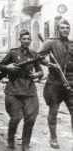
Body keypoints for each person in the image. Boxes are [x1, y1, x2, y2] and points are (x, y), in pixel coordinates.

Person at [0, 30, 43, 151]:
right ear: (20, 40)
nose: (26, 41)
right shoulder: (13, 53)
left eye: (29, 39)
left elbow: (40, 72)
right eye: (24, 39)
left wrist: (36, 75)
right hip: (14, 88)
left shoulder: (34, 54)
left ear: (31, 41)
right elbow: (0, 66)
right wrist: (8, 67)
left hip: (29, 89)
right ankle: (11, 139)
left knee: (31, 118)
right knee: (16, 117)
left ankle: (25, 143)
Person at [39, 18, 73, 149]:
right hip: (54, 82)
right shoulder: (50, 42)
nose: (65, 30)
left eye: (67, 28)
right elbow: (39, 56)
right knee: (53, 111)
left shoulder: (72, 43)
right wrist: (49, 63)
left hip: (71, 81)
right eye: (62, 28)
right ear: (58, 30)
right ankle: (53, 138)